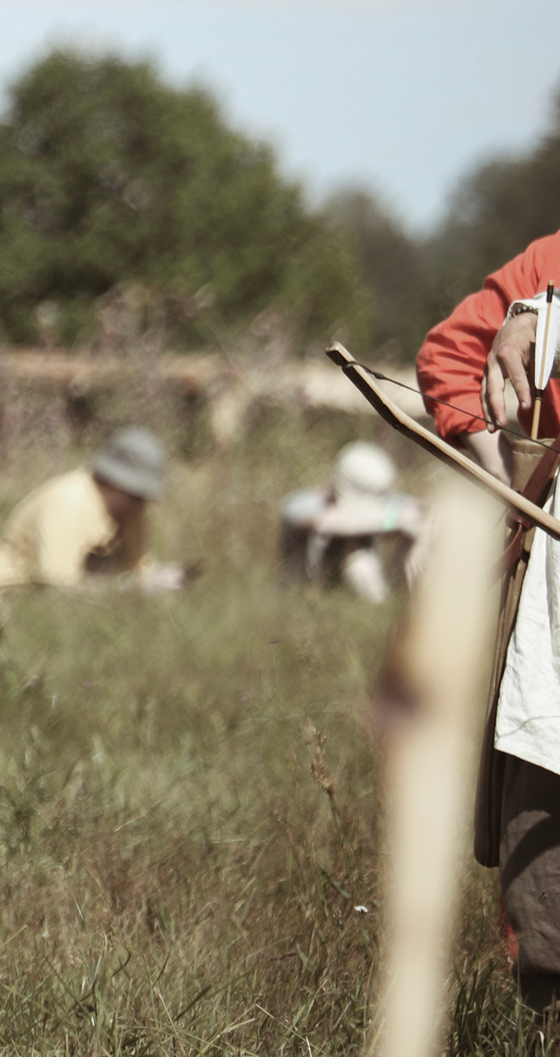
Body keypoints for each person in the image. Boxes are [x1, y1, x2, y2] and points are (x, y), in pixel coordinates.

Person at [416, 232, 560, 1025]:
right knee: (547, 798)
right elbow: (449, 359)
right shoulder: (553, 261)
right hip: (557, 588)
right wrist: (510, 483)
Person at [0, 427, 186, 593]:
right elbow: (56, 587)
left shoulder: (128, 511)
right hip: (13, 600)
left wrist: (162, 580)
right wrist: (126, 589)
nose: (141, 505)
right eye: (136, 496)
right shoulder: (66, 502)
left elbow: (138, 570)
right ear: (113, 481)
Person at [279, 441, 424, 603]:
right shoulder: (302, 504)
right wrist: (391, 522)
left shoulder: (385, 504)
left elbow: (412, 511)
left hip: (351, 598)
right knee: (358, 559)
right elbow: (324, 522)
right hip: (301, 598)